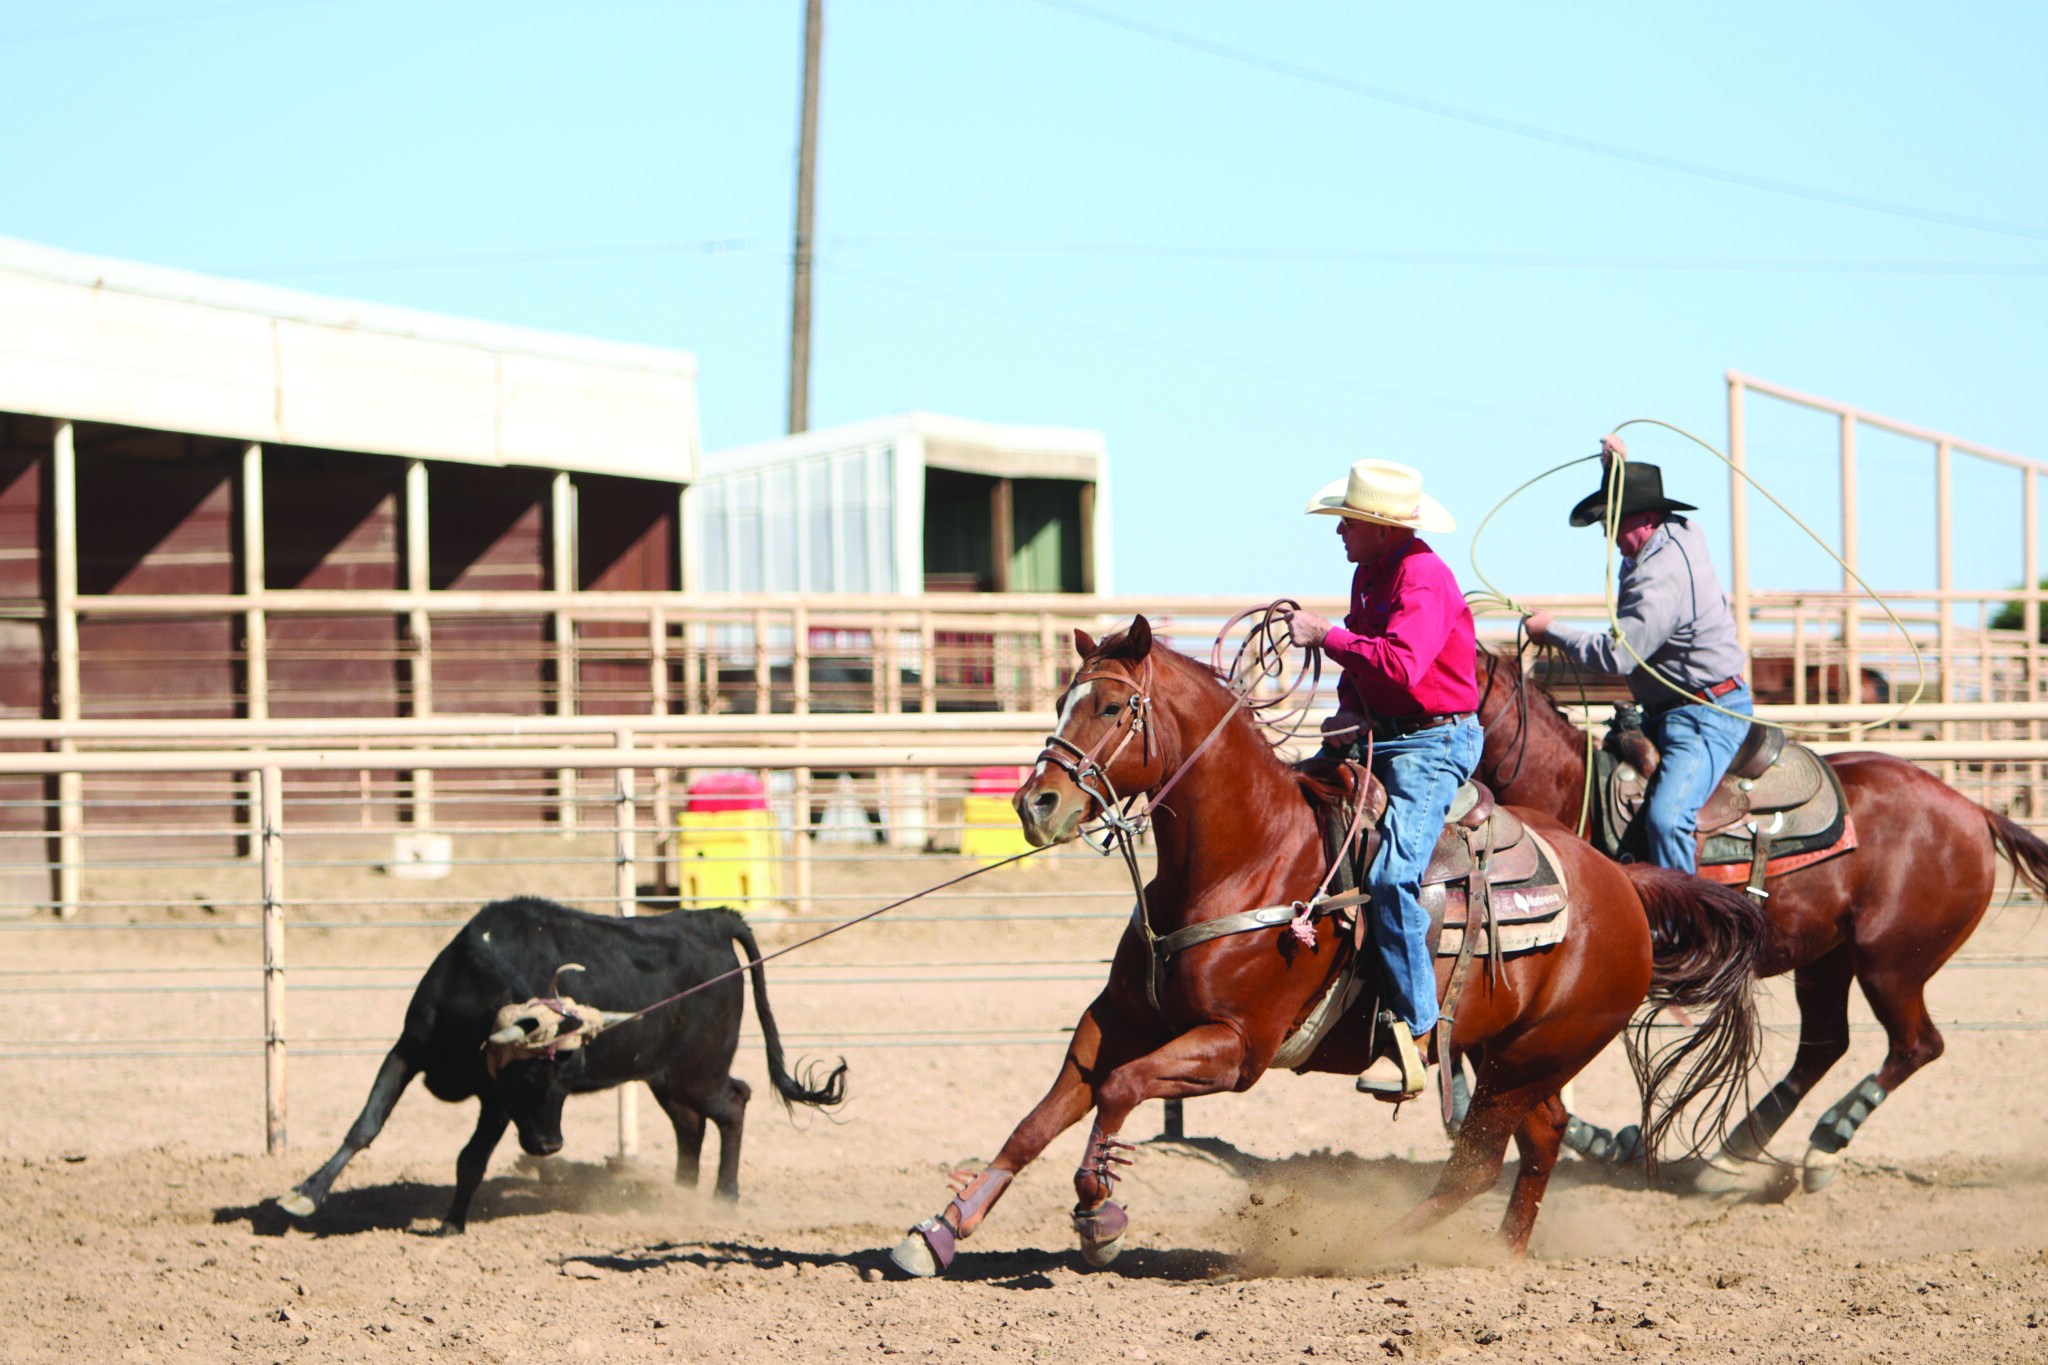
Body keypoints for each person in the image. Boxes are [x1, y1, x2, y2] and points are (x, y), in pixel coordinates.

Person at [1279, 459, 1481, 1100]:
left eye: (1349, 521)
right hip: (1385, 730)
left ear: (1383, 529)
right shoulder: (1372, 571)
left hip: (1434, 741)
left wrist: (1326, 636)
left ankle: (1419, 1031)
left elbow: (1401, 662)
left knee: (1395, 875)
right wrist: (1346, 708)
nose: (1339, 530)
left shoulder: (1424, 577)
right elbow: (1366, 664)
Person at [1523, 438, 1754, 872]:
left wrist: (1551, 630)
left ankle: (1688, 927)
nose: (1609, 534)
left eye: (1615, 521)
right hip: (1675, 708)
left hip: (1705, 714)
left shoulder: (1661, 573)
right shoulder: (1676, 534)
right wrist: (1617, 472)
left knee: (1668, 820)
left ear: (1647, 518)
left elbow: (1618, 655)